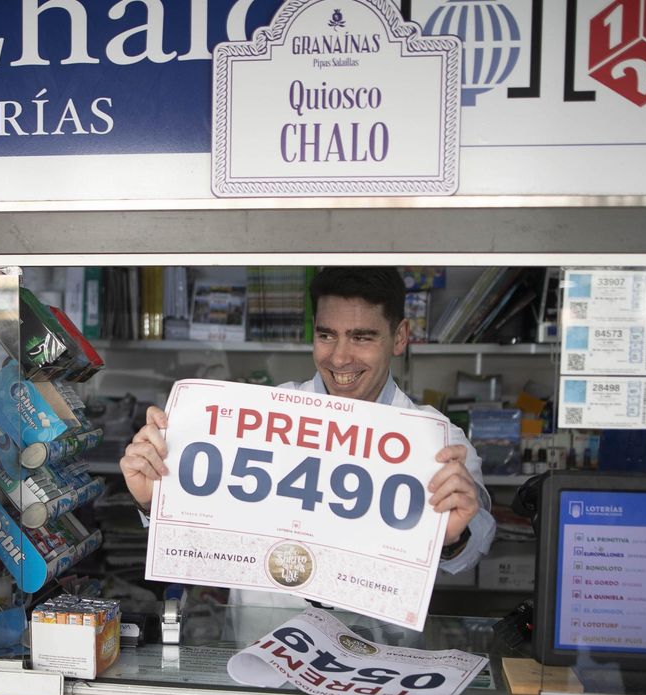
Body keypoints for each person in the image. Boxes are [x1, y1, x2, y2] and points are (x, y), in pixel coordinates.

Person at [120, 267, 496, 633]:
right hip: (261, 657)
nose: (339, 357)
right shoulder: (254, 417)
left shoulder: (438, 442)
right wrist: (155, 500)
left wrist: (451, 538)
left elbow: (469, 551)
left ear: (399, 337)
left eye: (362, 337)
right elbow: (204, 528)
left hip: (377, 670)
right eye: (327, 335)